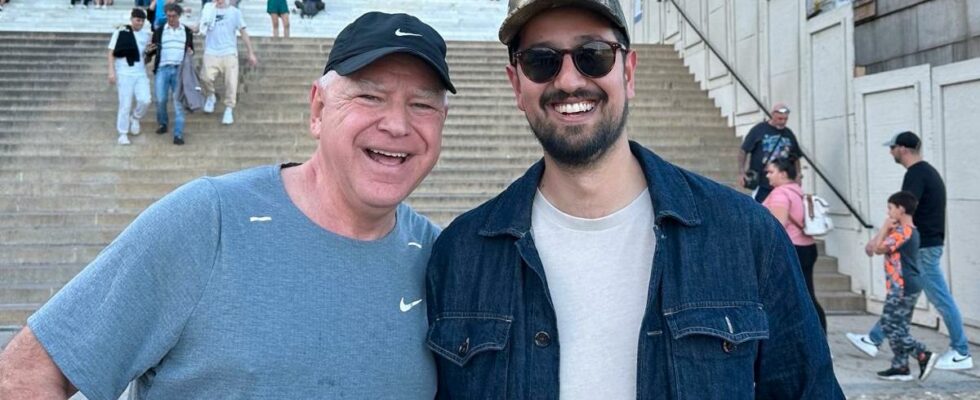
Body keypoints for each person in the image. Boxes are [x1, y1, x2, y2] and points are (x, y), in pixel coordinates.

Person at [0, 11, 455, 399]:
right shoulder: (208, 219)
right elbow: (26, 373)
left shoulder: (446, 260)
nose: (397, 124)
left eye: (421, 105)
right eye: (370, 97)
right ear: (318, 109)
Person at [424, 0, 842, 398]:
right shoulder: (460, 255)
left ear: (628, 71)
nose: (569, 81)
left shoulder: (746, 236)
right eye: (541, 61)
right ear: (516, 84)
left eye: (594, 54)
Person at [846, 131, 973, 370]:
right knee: (902, 301)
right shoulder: (926, 172)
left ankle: (961, 351)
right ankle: (873, 339)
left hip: (923, 248)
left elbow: (900, 215)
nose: (890, 152)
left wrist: (877, 239)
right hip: (926, 244)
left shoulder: (916, 175)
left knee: (940, 299)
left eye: (892, 147)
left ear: (903, 149)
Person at [863, 191, 938, 381]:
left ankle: (922, 354)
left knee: (889, 325)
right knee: (901, 327)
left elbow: (878, 249)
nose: (888, 212)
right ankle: (900, 366)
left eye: (890, 208)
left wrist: (884, 228)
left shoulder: (905, 231)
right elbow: (873, 250)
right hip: (905, 285)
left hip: (903, 286)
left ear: (901, 209)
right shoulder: (905, 231)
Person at [762, 156, 827, 333]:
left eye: (771, 171)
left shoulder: (780, 194)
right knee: (807, 294)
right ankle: (819, 336)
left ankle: (808, 336)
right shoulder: (797, 191)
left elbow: (778, 225)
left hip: (791, 249)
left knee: (790, 296)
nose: (768, 175)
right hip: (807, 247)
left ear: (783, 174)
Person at [198, 0, 257, 125]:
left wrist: (250, 52)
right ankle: (210, 95)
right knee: (205, 77)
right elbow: (199, 26)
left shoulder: (235, 12)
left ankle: (229, 108)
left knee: (231, 82)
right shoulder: (208, 9)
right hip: (211, 51)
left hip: (229, 52)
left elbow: (243, 32)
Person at [145, 2, 194, 145]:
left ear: (179, 16)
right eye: (168, 16)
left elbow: (191, 49)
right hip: (162, 68)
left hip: (179, 70)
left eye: (173, 16)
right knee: (161, 99)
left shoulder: (186, 31)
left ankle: (178, 134)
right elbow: (152, 50)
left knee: (178, 103)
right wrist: (149, 51)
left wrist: (190, 52)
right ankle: (163, 123)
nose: (170, 19)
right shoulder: (160, 30)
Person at [738, 103, 802, 202]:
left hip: (783, 184)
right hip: (763, 183)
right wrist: (742, 172)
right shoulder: (759, 129)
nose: (783, 122)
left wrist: (798, 175)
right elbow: (744, 150)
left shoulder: (788, 133)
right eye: (780, 119)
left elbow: (796, 156)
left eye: (785, 119)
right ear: (772, 115)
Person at [107, 8, 152, 145]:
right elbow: (111, 52)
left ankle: (136, 117)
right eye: (138, 20)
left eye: (142, 21)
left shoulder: (145, 35)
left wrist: (149, 54)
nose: (140, 23)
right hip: (124, 72)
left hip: (140, 72)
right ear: (132, 19)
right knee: (125, 104)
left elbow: (145, 56)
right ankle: (123, 133)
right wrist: (111, 71)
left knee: (145, 100)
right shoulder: (120, 32)